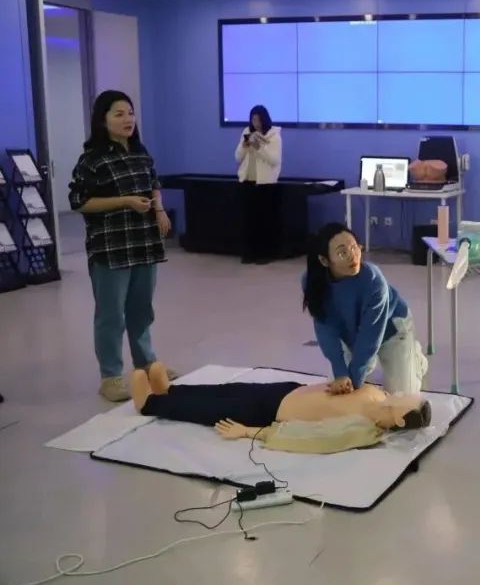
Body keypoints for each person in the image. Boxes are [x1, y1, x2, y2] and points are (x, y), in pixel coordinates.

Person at [69, 90, 173, 402]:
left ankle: (147, 364)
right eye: (119, 114)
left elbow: (154, 185)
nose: (128, 119)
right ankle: (111, 376)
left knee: (141, 310)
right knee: (111, 316)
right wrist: (125, 201)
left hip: (144, 243)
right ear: (103, 121)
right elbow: (80, 201)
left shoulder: (141, 153)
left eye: (130, 113)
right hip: (111, 248)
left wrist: (159, 210)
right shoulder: (92, 160)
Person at [131, 362, 432, 454]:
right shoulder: (379, 394)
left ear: (400, 420)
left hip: (269, 412)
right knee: (224, 390)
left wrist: (248, 432)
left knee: (211, 407)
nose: (403, 394)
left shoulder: (364, 430)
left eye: (407, 400)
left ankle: (150, 404)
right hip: (289, 390)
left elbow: (310, 439)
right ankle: (171, 390)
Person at [302, 222, 429, 396]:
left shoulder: (373, 280)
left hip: (392, 331)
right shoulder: (313, 282)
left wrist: (353, 382)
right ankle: (376, 363)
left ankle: (416, 360)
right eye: (342, 253)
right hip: (352, 333)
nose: (353, 256)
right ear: (324, 260)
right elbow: (325, 329)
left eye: (354, 248)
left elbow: (370, 337)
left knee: (401, 398)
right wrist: (341, 374)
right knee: (338, 387)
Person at [234, 104, 283, 264]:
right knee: (248, 220)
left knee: (264, 221)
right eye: (253, 120)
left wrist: (259, 147)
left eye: (258, 120)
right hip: (248, 181)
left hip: (265, 184)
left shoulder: (274, 136)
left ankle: (264, 254)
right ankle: (249, 253)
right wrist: (245, 145)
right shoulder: (246, 132)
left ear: (264, 120)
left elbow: (274, 160)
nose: (256, 123)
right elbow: (237, 157)